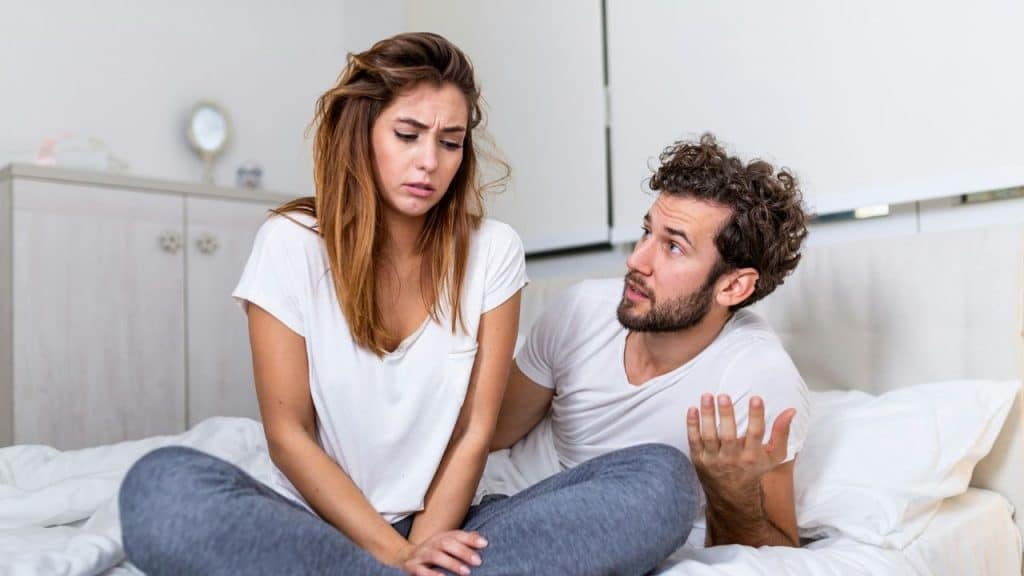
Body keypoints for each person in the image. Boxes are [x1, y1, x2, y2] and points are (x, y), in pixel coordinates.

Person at [118, 32, 694, 576]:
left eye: (450, 142)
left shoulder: (494, 251)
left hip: (453, 529)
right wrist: (396, 556)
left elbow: (473, 430)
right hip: (315, 528)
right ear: (363, 132)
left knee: (662, 479)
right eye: (407, 134)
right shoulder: (290, 242)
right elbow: (288, 433)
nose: (429, 162)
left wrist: (424, 549)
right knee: (160, 489)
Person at [488, 133, 811, 551]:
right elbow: (486, 435)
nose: (636, 260)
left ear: (733, 287)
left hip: (605, 541)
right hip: (499, 510)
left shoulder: (754, 380)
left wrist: (732, 493)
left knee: (663, 477)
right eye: (646, 232)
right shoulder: (580, 311)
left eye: (673, 246)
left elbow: (778, 553)